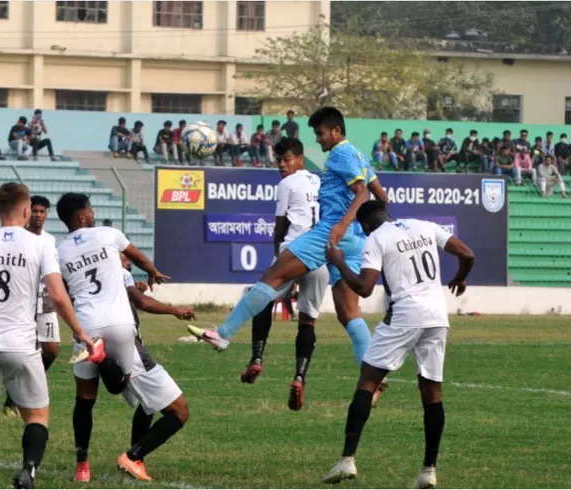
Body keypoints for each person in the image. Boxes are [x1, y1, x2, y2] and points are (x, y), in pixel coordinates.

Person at [188, 107, 389, 401]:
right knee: (349, 313)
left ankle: (224, 334)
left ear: (336, 131)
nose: (318, 140)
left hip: (330, 232)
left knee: (272, 276)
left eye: (320, 133)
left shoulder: (340, 155)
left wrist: (341, 225)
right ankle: (373, 375)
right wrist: (370, 230)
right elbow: (381, 196)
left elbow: (362, 193)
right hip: (355, 239)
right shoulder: (359, 154)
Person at [321, 200, 474, 487]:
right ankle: (429, 470)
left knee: (368, 381)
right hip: (437, 317)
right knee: (432, 393)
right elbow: (467, 253)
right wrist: (459, 278)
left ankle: (347, 461)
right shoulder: (423, 226)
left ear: (366, 226)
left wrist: (339, 261)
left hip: (405, 315)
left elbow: (364, 289)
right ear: (388, 215)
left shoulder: (376, 238)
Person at [0, 183, 93, 489]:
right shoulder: (40, 245)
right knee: (36, 416)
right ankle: (28, 470)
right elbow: (57, 294)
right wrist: (80, 332)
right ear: (27, 210)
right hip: (21, 342)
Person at [55, 192, 169, 483]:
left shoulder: (60, 251)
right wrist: (153, 271)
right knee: (127, 388)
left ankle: (82, 463)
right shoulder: (109, 234)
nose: (92, 213)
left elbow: (63, 291)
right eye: (89, 210)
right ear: (82, 216)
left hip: (85, 328)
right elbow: (136, 256)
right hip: (119, 324)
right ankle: (135, 456)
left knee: (84, 398)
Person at [238, 138, 329, 412]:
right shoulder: (320, 182)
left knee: (261, 300)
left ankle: (256, 359)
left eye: (286, 159)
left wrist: (279, 262)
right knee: (307, 322)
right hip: (320, 256)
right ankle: (300, 377)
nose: (281, 164)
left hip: (293, 252)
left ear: (299, 159)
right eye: (278, 160)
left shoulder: (286, 184)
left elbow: (279, 227)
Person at [94, 253, 194, 481]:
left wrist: (134, 291)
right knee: (179, 411)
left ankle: (136, 460)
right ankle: (133, 456)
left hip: (107, 343)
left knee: (147, 407)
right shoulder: (121, 273)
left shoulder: (99, 276)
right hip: (130, 350)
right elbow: (143, 303)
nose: (129, 262)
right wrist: (175, 310)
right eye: (125, 257)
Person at [3, 196, 63, 417]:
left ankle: (16, 395)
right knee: (21, 351)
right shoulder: (21, 238)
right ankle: (13, 400)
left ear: (47, 213)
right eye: (35, 211)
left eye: (42, 211)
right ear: (28, 212)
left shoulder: (50, 240)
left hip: (45, 302)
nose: (38, 215)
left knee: (51, 350)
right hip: (24, 301)